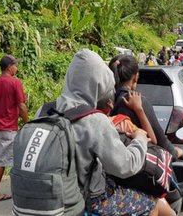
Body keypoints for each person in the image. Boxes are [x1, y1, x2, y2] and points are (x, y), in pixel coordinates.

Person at [56, 49, 170, 216]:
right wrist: (139, 138)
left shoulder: (47, 111)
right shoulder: (93, 119)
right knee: (154, 204)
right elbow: (126, 165)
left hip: (55, 196)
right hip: (90, 199)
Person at [0, 55, 29, 202]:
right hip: (8, 127)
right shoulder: (15, 83)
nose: (17, 68)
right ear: (9, 67)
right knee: (2, 160)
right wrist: (28, 124)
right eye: (15, 65)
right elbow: (21, 106)